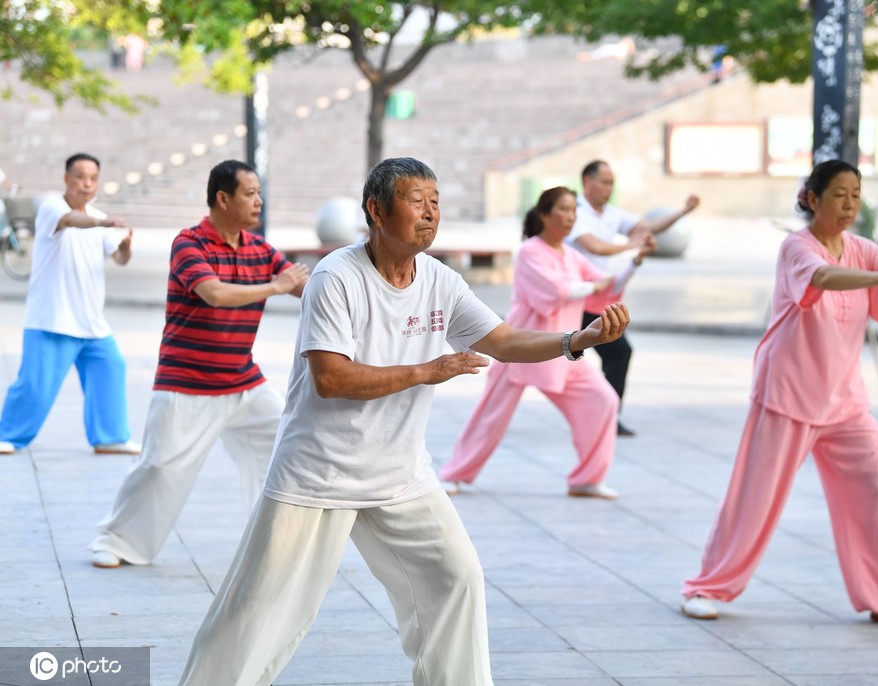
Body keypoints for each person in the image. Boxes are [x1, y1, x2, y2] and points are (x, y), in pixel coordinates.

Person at [176, 158, 631, 686]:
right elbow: (331, 378)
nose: (430, 213)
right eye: (418, 201)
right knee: (257, 614)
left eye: (436, 203)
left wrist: (576, 341)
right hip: (317, 474)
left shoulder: (439, 280)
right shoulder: (335, 277)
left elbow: (503, 340)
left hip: (400, 476)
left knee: (455, 580)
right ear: (376, 209)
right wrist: (428, 370)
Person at [679, 159, 878, 627]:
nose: (849, 204)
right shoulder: (796, 248)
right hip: (788, 393)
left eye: (856, 195)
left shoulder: (863, 249)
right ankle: (706, 587)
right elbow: (823, 278)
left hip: (844, 401)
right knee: (755, 497)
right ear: (813, 199)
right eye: (839, 194)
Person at [89, 160, 309, 569]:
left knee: (289, 444)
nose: (259, 201)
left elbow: (308, 289)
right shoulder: (189, 243)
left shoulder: (260, 249)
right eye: (250, 193)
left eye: (260, 192)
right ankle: (117, 540)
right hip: (185, 382)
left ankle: (278, 542)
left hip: (243, 381)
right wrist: (277, 286)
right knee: (159, 468)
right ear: (222, 198)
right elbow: (214, 293)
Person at [440, 186, 653, 499]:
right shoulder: (530, 251)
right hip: (520, 346)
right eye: (563, 210)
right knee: (490, 417)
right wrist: (592, 285)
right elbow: (553, 291)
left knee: (604, 401)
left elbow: (606, 290)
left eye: (573, 211)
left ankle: (586, 478)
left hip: (564, 349)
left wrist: (635, 262)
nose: (570, 217)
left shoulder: (572, 256)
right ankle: (454, 474)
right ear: (543, 214)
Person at [0, 153, 140, 456]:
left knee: (111, 367)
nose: (86, 184)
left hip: (91, 323)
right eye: (80, 177)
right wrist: (102, 222)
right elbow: (71, 220)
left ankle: (110, 437)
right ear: (67, 178)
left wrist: (126, 246)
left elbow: (119, 258)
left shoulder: (100, 217)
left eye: (92, 178)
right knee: (34, 386)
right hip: (51, 319)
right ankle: (7, 435)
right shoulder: (53, 208)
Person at [569, 159, 699, 436]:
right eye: (604, 182)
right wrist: (635, 244)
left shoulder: (612, 214)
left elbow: (647, 226)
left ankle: (606, 417)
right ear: (587, 182)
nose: (608, 188)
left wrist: (682, 211)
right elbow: (598, 247)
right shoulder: (574, 212)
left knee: (616, 353)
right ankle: (602, 416)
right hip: (572, 299)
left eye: (612, 183)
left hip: (598, 300)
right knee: (554, 361)